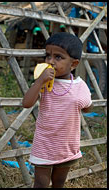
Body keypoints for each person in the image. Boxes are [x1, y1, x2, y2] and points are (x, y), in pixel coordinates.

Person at [22, 32, 93, 188]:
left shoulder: (80, 85)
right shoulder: (45, 83)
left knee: (59, 182)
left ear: (74, 64)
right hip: (45, 144)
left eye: (58, 57)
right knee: (41, 183)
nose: (50, 61)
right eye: (48, 56)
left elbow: (88, 107)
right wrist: (40, 80)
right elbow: (26, 103)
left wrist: (82, 103)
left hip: (67, 145)